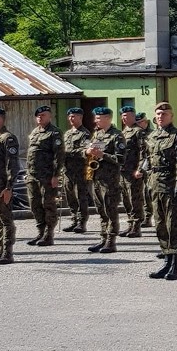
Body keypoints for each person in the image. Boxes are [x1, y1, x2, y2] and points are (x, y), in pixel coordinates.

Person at [139, 102, 177, 280]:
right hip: (155, 185)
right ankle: (167, 260)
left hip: (171, 185)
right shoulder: (152, 136)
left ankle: (176, 264)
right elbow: (147, 159)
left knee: (173, 225)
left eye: (165, 114)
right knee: (160, 225)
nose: (161, 116)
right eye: (159, 114)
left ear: (171, 116)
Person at [86, 107, 126, 254]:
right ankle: (103, 238)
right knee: (101, 211)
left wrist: (103, 155)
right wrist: (89, 152)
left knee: (110, 210)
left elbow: (121, 159)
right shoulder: (97, 134)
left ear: (108, 118)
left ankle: (111, 241)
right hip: (97, 177)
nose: (96, 120)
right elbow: (91, 151)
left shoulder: (117, 136)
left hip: (110, 180)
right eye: (96, 117)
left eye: (99, 118)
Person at [26, 105, 65, 247]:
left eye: (43, 115)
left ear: (50, 116)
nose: (40, 117)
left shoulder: (54, 133)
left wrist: (56, 175)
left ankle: (49, 235)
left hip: (47, 176)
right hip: (32, 176)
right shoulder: (35, 132)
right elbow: (31, 155)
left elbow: (59, 155)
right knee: (34, 204)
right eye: (38, 115)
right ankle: (40, 232)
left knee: (48, 204)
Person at [0, 108, 20, 264]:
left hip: (2, 187)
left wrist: (9, 187)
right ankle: (0, 250)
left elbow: (12, 165)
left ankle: (7, 253)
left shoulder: (7, 138)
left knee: (6, 220)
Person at [62, 107, 91, 234]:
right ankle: (74, 219)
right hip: (68, 170)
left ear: (80, 117)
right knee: (70, 196)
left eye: (74, 116)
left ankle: (81, 222)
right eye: (70, 116)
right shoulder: (67, 134)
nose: (71, 119)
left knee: (81, 196)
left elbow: (84, 150)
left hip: (80, 170)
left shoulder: (85, 134)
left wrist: (67, 153)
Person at [118, 106, 146, 238]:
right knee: (126, 199)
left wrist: (140, 169)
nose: (125, 118)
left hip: (133, 171)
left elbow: (144, 152)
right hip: (123, 171)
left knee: (135, 199)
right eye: (123, 116)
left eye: (127, 116)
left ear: (134, 117)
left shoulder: (138, 132)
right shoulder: (124, 132)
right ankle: (130, 224)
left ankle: (136, 226)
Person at [135, 112, 154, 228]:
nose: (137, 125)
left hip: (147, 168)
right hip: (134, 167)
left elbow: (148, 156)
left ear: (145, 122)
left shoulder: (151, 135)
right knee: (137, 194)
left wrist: (141, 169)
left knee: (147, 193)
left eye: (140, 122)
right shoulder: (135, 134)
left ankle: (148, 218)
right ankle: (138, 218)